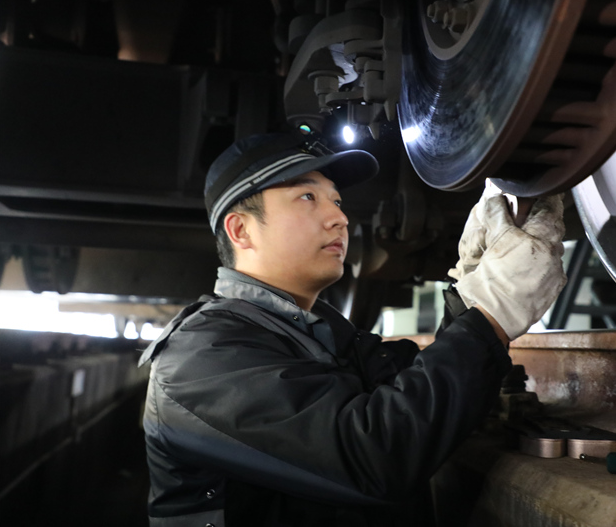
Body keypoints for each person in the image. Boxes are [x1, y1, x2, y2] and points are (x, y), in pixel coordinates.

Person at [139, 132, 567, 526]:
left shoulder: (319, 334)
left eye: (337, 202)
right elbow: (375, 455)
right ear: (241, 230)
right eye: (308, 197)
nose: (339, 218)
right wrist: (492, 312)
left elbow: (414, 399)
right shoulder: (199, 358)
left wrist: (471, 293)